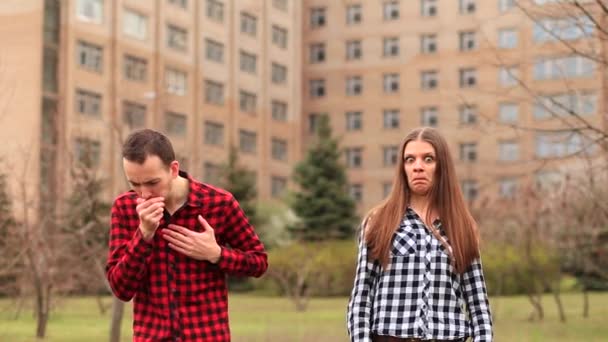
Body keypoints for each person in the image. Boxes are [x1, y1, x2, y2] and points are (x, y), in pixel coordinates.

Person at [106, 129, 268, 341]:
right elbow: (121, 289)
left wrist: (217, 254)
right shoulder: (125, 208)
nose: (144, 194)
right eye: (135, 184)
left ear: (173, 169)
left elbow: (259, 262)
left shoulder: (219, 203)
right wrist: (143, 235)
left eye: (153, 183)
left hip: (207, 336)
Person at [347, 127, 493, 342]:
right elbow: (361, 297)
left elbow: (478, 304)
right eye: (410, 160)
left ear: (441, 166)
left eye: (428, 159)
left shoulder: (462, 226)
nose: (418, 167)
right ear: (402, 168)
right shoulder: (378, 222)